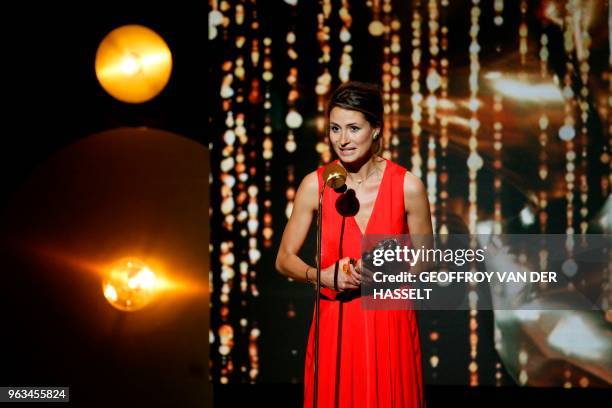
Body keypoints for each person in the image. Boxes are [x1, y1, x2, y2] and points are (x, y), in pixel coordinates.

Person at [275, 81, 432, 407]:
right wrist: (322, 275)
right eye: (335, 128)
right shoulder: (316, 184)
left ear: (376, 129)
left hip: (390, 324)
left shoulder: (407, 186)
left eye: (353, 128)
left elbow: (427, 260)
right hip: (336, 323)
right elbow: (284, 259)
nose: (342, 140)